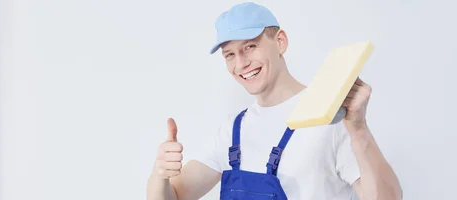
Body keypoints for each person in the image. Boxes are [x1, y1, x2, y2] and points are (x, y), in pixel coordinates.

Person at [146, 2, 402, 200]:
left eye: (250, 47)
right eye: (230, 55)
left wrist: (359, 129)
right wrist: (160, 174)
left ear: (280, 41)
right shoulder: (232, 131)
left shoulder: (330, 116)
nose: (241, 64)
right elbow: (175, 196)